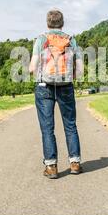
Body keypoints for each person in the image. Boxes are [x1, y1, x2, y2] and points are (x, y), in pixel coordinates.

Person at [29, 10, 83, 179]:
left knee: (47, 128)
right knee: (70, 125)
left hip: (44, 86)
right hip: (66, 86)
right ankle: (75, 163)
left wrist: (37, 72)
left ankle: (51, 167)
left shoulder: (41, 39)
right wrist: (72, 76)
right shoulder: (71, 40)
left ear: (47, 23)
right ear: (62, 23)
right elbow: (80, 71)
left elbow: (32, 67)